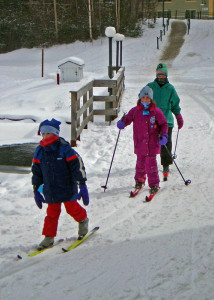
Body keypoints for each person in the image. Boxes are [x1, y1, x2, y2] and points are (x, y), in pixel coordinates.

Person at [32, 118, 89, 250]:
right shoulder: (39, 151)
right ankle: (48, 237)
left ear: (55, 134)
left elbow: (77, 166)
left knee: (72, 208)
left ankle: (83, 220)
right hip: (50, 189)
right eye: (43, 134)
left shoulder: (64, 148)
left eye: (48, 133)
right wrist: (36, 188)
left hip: (67, 186)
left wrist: (82, 184)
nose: (45, 136)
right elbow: (36, 171)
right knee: (52, 213)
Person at [117, 86, 168, 196]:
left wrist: (164, 136)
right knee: (140, 165)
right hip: (140, 143)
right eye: (143, 98)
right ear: (140, 98)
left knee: (151, 165)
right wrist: (122, 123)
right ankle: (139, 181)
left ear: (151, 99)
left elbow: (164, 124)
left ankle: (154, 184)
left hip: (152, 144)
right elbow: (127, 119)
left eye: (147, 98)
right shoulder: (135, 111)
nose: (145, 100)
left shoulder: (156, 112)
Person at [142, 63, 183, 180]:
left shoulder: (170, 89)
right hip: (152, 121)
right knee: (150, 142)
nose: (161, 78)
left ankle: (165, 164)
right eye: (159, 76)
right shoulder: (150, 87)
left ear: (166, 76)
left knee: (165, 142)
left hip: (166, 120)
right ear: (156, 75)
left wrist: (178, 116)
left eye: (163, 76)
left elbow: (175, 104)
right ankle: (149, 161)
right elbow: (142, 98)